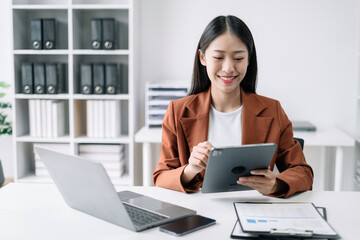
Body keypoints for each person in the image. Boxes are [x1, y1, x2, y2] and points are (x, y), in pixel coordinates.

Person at [153, 15, 313, 198]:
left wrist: (275, 185)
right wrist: (190, 169)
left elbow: (303, 172)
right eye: (219, 57)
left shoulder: (272, 110)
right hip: (199, 214)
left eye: (238, 58)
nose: (228, 68)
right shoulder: (178, 111)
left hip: (254, 212)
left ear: (248, 60)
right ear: (203, 58)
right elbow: (161, 177)